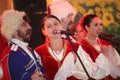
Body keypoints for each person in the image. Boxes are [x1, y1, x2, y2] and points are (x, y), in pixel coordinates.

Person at [0, 10, 45, 80]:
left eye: (28, 24)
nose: (30, 27)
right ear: (13, 30)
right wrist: (31, 78)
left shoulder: (27, 49)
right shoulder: (13, 54)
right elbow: (20, 76)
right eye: (24, 25)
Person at [34, 15, 80, 80]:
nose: (54, 28)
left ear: (61, 26)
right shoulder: (38, 52)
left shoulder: (76, 47)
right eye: (49, 26)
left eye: (56, 24)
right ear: (44, 31)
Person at [78, 14, 120, 79]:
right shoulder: (82, 46)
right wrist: (104, 55)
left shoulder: (105, 43)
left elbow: (117, 64)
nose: (100, 27)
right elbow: (90, 71)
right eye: (96, 25)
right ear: (87, 27)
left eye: (101, 24)